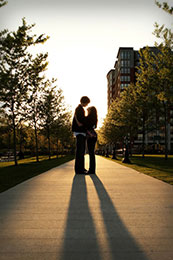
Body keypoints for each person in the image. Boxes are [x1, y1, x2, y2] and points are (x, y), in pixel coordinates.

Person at [72, 96, 90, 174]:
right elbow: (82, 120)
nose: (87, 105)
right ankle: (79, 170)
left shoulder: (79, 109)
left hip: (79, 132)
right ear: (84, 102)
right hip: (80, 132)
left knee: (81, 151)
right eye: (87, 103)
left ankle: (81, 168)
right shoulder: (79, 109)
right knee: (80, 152)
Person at [85, 106, 98, 174]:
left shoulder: (89, 118)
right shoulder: (95, 118)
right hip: (94, 136)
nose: (87, 111)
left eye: (88, 110)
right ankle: (92, 169)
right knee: (92, 153)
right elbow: (94, 126)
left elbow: (86, 126)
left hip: (90, 136)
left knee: (91, 153)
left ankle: (91, 170)